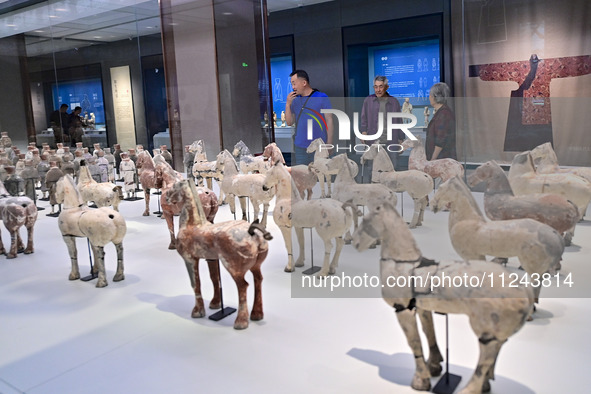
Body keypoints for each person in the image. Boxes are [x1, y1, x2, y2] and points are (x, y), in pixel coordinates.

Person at [285, 70, 333, 165]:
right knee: (303, 176)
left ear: (304, 83)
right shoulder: (295, 101)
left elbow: (329, 120)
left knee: (320, 175)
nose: (293, 87)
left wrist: (329, 143)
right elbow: (289, 122)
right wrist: (288, 104)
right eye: (291, 84)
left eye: (294, 83)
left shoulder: (321, 97)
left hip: (319, 146)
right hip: (300, 148)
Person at [359, 76, 404, 170]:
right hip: (373, 141)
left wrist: (401, 138)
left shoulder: (394, 102)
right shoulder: (368, 100)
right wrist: (363, 132)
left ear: (386, 87)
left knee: (392, 169)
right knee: (372, 170)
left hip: (391, 142)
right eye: (375, 87)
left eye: (381, 86)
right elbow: (364, 118)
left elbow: (399, 121)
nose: (378, 90)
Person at [426, 82, 456, 160]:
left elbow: (440, 140)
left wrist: (432, 159)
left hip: (441, 161)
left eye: (430, 95)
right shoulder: (441, 112)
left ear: (435, 97)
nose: (429, 97)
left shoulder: (444, 114)